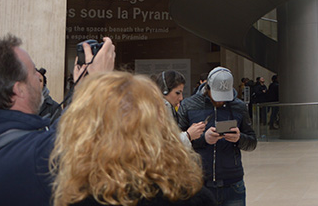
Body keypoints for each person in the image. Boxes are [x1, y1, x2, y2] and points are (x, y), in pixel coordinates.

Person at [0, 35, 115, 206]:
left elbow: (59, 132)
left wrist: (82, 89)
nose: (39, 77)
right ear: (19, 90)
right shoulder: (37, 157)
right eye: (34, 72)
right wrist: (99, 82)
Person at [50, 71, 214, 206]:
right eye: (177, 93)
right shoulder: (192, 196)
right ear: (159, 129)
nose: (180, 98)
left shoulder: (74, 197)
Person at [176, 67, 257, 205]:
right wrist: (203, 139)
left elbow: (252, 142)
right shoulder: (188, 105)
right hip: (199, 183)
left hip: (233, 184)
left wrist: (239, 139)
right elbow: (175, 144)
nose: (220, 102)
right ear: (207, 87)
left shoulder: (239, 106)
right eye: (217, 95)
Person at [157, 70, 206, 145]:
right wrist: (188, 135)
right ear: (165, 91)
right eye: (177, 93)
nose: (181, 98)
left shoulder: (165, 108)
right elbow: (164, 145)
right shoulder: (155, 111)